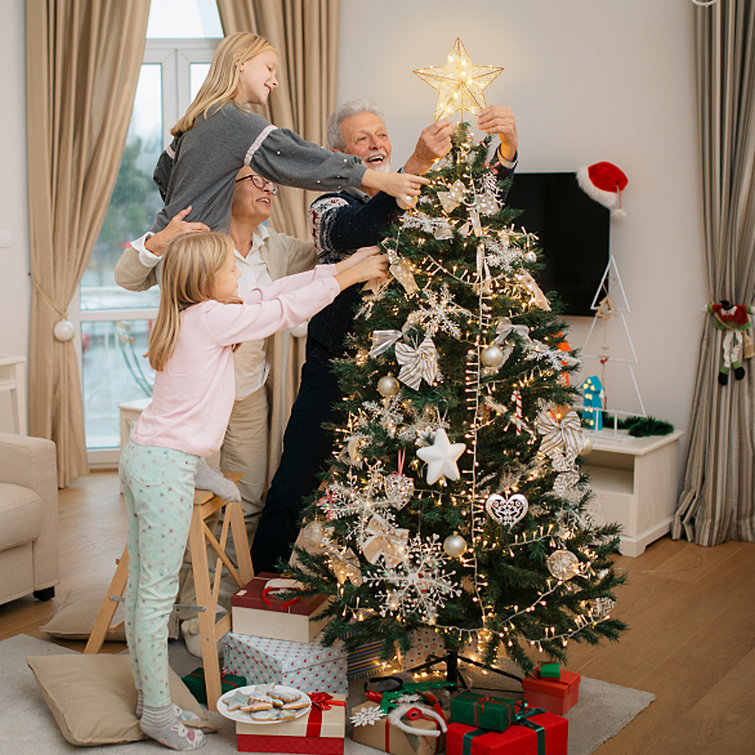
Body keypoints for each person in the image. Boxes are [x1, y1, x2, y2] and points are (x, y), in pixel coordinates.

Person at [120, 231, 386, 750]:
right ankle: (155, 710)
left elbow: (272, 293)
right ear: (205, 282)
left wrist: (336, 269)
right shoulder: (213, 319)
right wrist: (347, 277)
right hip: (163, 467)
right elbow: (281, 312)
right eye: (231, 270)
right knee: (150, 598)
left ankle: (150, 697)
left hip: (152, 452)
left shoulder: (194, 312)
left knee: (140, 594)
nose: (240, 276)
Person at [251, 99, 519, 574]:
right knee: (298, 479)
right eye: (362, 139)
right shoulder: (328, 205)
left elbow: (482, 207)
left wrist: (508, 149)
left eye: (381, 136)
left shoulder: (413, 191)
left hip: (402, 373)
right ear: (339, 154)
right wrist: (415, 163)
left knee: (396, 485)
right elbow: (358, 229)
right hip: (336, 369)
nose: (376, 146)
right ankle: (262, 584)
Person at [116, 166, 316, 541]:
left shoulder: (279, 247)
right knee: (192, 505)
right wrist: (160, 240)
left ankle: (229, 595)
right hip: (197, 404)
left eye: (271, 181)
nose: (268, 188)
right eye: (256, 180)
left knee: (248, 498)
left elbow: (324, 263)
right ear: (228, 186)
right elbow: (127, 278)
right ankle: (193, 595)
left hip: (249, 395)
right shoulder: (197, 244)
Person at [151, 32, 427, 238]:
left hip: (176, 248)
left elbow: (163, 173)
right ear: (240, 62)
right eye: (269, 68)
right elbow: (299, 157)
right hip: (199, 252)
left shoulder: (198, 120)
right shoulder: (232, 120)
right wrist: (384, 181)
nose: (275, 81)